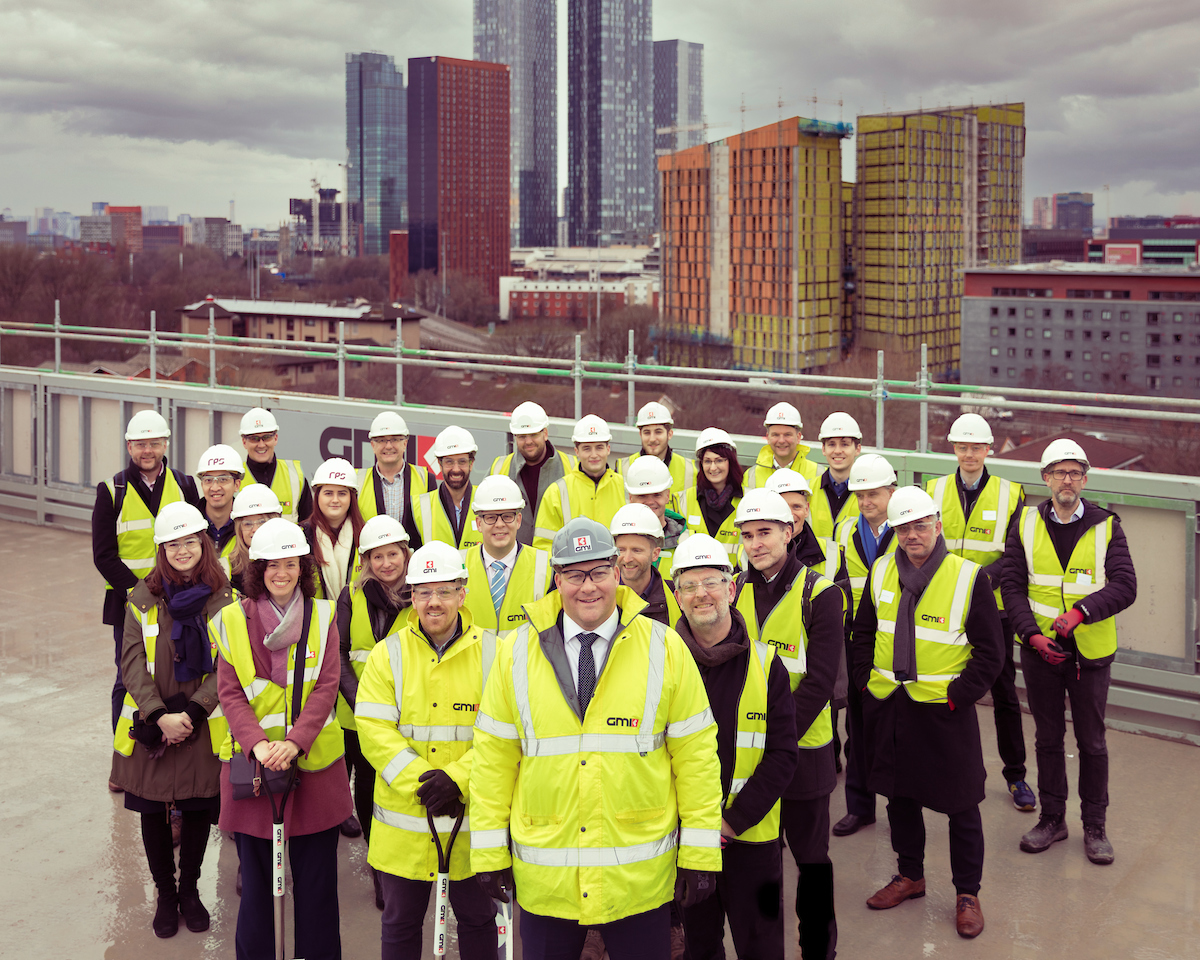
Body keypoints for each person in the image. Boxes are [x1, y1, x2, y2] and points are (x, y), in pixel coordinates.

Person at [470, 517, 723, 960]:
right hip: (548, 880)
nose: (588, 587)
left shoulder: (664, 647)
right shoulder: (514, 652)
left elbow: (696, 757)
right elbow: (493, 759)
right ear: (557, 580)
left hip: (638, 881)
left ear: (617, 571)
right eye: (574, 574)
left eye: (598, 572)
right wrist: (489, 851)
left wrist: (700, 854)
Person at [851, 487, 1003, 939]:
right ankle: (910, 876)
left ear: (938, 525)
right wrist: (864, 680)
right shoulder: (881, 570)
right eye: (904, 528)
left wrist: (958, 694)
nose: (913, 535)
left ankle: (967, 894)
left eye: (921, 525)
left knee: (962, 805)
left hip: (943, 711)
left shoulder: (968, 577)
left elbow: (990, 654)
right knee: (900, 797)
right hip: (890, 705)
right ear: (894, 532)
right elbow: (862, 632)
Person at [210, 517, 351, 960]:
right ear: (257, 569)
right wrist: (257, 744)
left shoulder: (322, 615)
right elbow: (230, 693)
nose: (282, 573)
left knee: (317, 891)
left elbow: (327, 685)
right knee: (256, 893)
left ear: (302, 567)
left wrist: (295, 742)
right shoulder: (232, 620)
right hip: (254, 773)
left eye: (290, 564)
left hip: (313, 769)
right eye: (272, 565)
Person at [354, 542, 499, 960]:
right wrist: (423, 782)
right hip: (405, 826)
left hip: (471, 823)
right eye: (424, 592)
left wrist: (457, 779)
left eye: (445, 590)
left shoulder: (495, 654)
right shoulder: (388, 654)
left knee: (477, 921)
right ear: (411, 596)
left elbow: (505, 734)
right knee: (400, 925)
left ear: (462, 593)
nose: (434, 602)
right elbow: (374, 728)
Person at [1001, 438, 1137, 866]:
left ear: (1084, 479)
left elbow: (1125, 585)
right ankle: (1053, 819)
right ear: (1045, 478)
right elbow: (1012, 585)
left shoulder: (1106, 524)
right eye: (1059, 472)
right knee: (1047, 738)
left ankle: (1094, 826)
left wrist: (1082, 612)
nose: (1067, 479)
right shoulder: (1024, 523)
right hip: (1041, 653)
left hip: (1090, 655)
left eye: (1075, 472)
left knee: (1092, 742)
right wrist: (1031, 635)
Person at [670, 535, 797, 960]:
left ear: (733, 587)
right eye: (689, 584)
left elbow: (783, 756)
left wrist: (731, 823)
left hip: (752, 842)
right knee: (700, 949)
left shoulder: (766, 664)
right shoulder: (660, 664)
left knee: (762, 948)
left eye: (712, 580)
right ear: (676, 595)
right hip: (685, 842)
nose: (701, 593)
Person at [110, 502, 234, 938]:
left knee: (198, 809)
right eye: (173, 543)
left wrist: (196, 710)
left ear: (203, 543)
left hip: (201, 725)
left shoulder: (225, 599)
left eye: (190, 541)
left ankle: (190, 891)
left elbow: (231, 665)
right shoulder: (142, 599)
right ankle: (165, 894)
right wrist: (160, 715)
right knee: (153, 812)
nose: (182, 550)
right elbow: (131, 665)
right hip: (154, 727)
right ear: (162, 549)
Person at [732, 490, 845, 960]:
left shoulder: (821, 594)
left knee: (811, 861)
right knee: (762, 863)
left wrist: (774, 742)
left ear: (790, 531)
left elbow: (818, 682)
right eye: (747, 535)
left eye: (765, 533)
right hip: (748, 758)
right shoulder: (733, 588)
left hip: (803, 754)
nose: (756, 544)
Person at [925, 413, 1033, 811]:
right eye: (962, 447)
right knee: (942, 689)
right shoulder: (932, 490)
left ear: (989, 449)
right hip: (946, 609)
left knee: (1004, 692)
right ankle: (942, 770)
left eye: (976, 447)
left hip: (995, 610)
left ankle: (1016, 775)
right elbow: (924, 544)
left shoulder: (1011, 492)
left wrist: (979, 580)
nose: (969, 454)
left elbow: (1016, 553)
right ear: (953, 448)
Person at [93, 409, 201, 768]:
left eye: (154, 443)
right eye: (140, 444)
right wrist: (142, 590)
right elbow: (104, 555)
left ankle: (173, 749)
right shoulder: (112, 490)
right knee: (129, 678)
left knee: (177, 674)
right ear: (129, 445)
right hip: (129, 604)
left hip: (181, 600)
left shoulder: (184, 485)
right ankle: (123, 760)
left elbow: (195, 541)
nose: (147, 450)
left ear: (165, 444)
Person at [335, 514, 412, 910]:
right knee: (365, 787)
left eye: (392, 554)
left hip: (407, 714)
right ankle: (378, 862)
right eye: (377, 556)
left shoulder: (421, 594)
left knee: (398, 785)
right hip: (356, 714)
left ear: (405, 554)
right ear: (366, 560)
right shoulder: (352, 594)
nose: (386, 564)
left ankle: (400, 858)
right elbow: (340, 653)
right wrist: (363, 704)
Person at [831, 453, 897, 838]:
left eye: (873, 494)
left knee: (889, 730)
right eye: (860, 496)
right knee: (856, 725)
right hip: (856, 640)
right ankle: (860, 807)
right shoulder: (845, 532)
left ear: (891, 491)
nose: (866, 502)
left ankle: (896, 804)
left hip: (893, 643)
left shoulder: (905, 528)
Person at [303, 456, 367, 837]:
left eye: (342, 492)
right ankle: (325, 800)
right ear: (317, 495)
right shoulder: (303, 533)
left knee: (347, 723)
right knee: (319, 718)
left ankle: (344, 805)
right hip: (314, 632)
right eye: (328, 492)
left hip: (350, 633)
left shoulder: (364, 535)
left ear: (351, 497)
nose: (335, 499)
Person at [462, 474, 554, 632]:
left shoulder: (547, 566)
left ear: (518, 520)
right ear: (479, 524)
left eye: (507, 516)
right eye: (490, 517)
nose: (499, 524)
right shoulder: (458, 565)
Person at [532, 415, 626, 551]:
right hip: (573, 572)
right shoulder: (557, 492)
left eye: (599, 447)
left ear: (608, 449)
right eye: (587, 448)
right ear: (577, 452)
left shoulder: (625, 488)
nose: (594, 455)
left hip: (617, 571)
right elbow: (544, 545)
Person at [490, 401, 577, 546]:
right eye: (522, 436)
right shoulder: (498, 469)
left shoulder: (572, 466)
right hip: (513, 561)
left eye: (533, 435)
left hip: (559, 561)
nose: (528, 441)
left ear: (545, 434)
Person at [358, 410, 435, 544]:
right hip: (374, 561)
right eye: (382, 440)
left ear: (404, 443)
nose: (388, 446)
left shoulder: (426, 480)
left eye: (394, 439)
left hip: (414, 561)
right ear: (373, 446)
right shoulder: (358, 482)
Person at [610, 503, 682, 627]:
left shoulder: (675, 596)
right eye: (621, 550)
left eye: (636, 550)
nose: (627, 559)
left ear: (655, 554)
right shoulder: (603, 595)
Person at [414, 426, 483, 551]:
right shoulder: (418, 508)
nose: (456, 469)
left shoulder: (485, 500)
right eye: (449, 462)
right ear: (440, 465)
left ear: (471, 463)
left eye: (462, 461)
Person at [238, 407, 311, 523]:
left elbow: (309, 525)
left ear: (275, 438)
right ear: (244, 442)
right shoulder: (235, 477)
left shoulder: (296, 476)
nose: (261, 445)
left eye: (266, 437)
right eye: (254, 438)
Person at [679, 427, 744, 557]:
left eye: (719, 460)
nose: (713, 468)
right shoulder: (684, 500)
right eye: (707, 461)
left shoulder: (746, 500)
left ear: (730, 462)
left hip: (735, 576)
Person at [616, 401, 694, 504]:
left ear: (669, 434)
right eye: (647, 432)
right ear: (640, 435)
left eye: (658, 432)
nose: (652, 439)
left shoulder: (690, 470)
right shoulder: (623, 469)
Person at [624, 456, 689, 571]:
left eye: (656, 494)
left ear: (667, 495)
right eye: (642, 496)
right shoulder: (618, 541)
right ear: (631, 498)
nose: (650, 502)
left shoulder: (686, 541)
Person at [808, 413, 862, 539]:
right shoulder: (807, 491)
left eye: (844, 444)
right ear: (823, 449)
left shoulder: (867, 492)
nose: (837, 451)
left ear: (857, 449)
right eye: (831, 444)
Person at [745, 402, 818, 490]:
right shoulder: (751, 476)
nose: (781, 441)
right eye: (775, 435)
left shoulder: (819, 474)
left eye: (787, 435)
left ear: (798, 437)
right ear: (768, 437)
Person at [196, 444, 245, 572]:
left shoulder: (247, 526)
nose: (215, 487)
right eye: (208, 480)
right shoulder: (190, 526)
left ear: (236, 485)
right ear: (202, 484)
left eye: (223, 479)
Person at [227, 484, 283, 593]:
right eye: (248, 524)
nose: (255, 529)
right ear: (239, 530)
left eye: (262, 522)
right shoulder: (228, 567)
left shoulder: (293, 560)